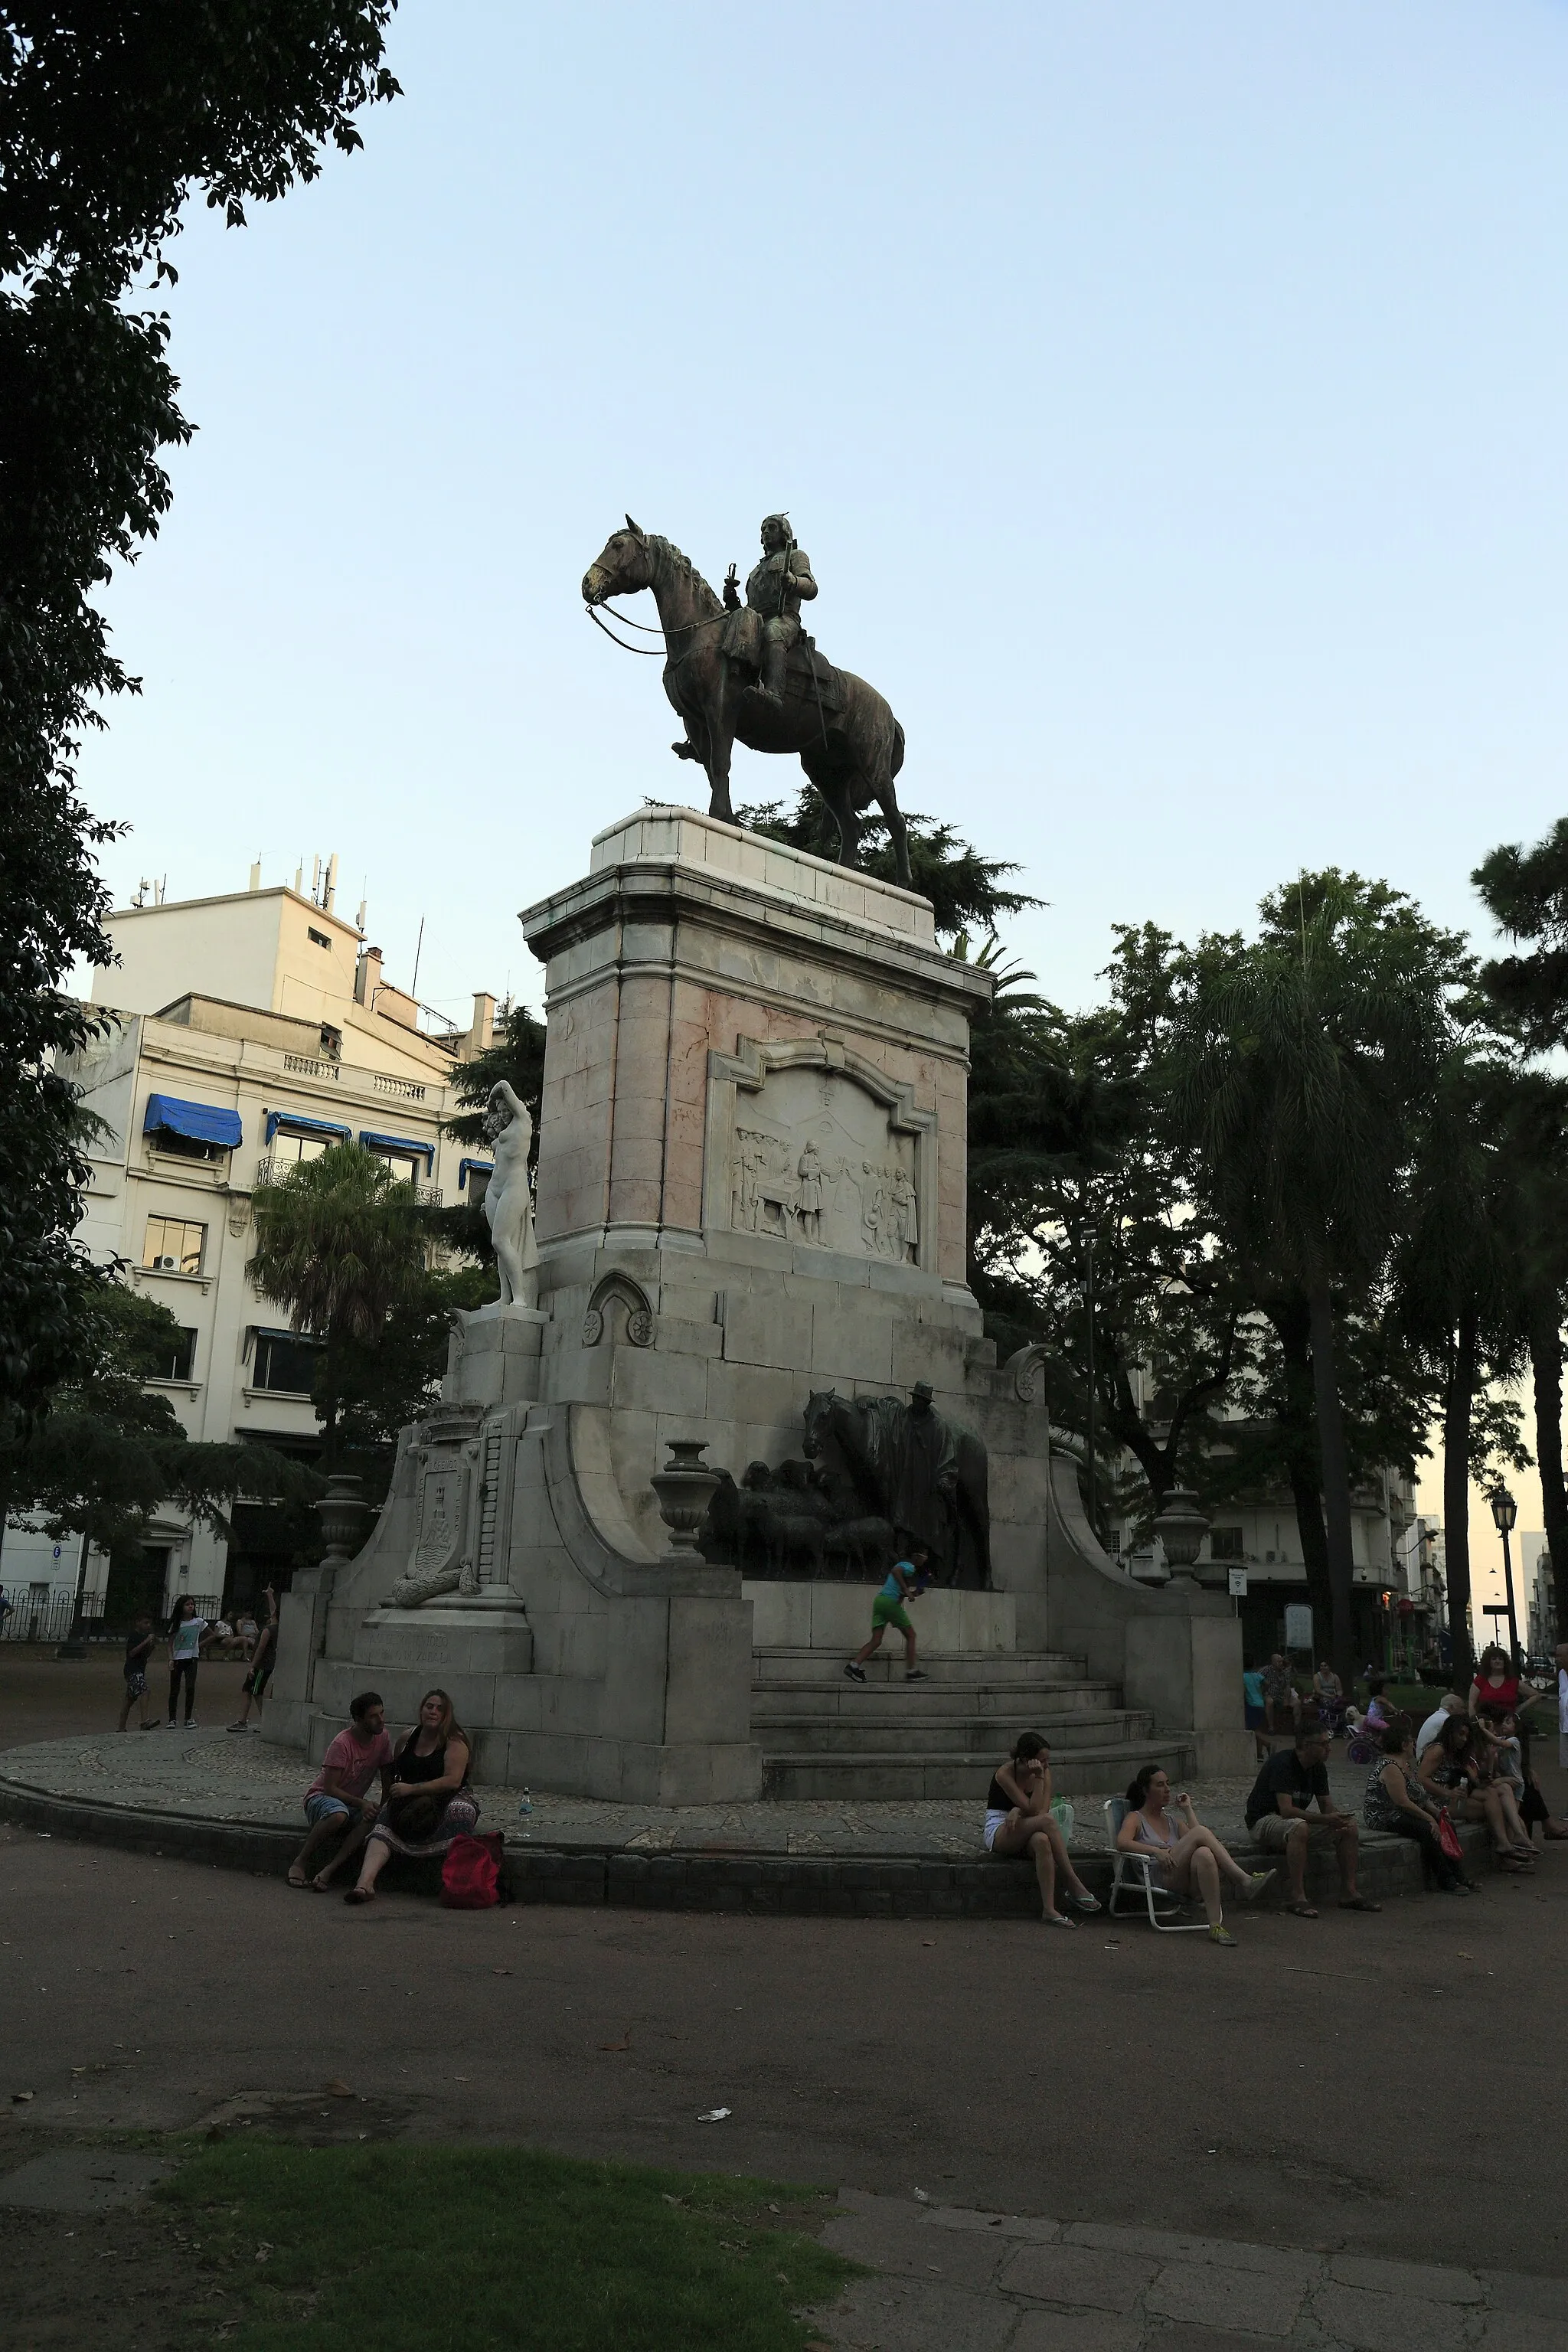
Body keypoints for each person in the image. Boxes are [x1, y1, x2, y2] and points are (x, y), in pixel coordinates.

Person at [344, 1690, 479, 1906]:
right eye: (429, 1706)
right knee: (385, 1816)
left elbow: (453, 1781)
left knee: (461, 1812)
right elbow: (397, 1771)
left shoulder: (455, 1742)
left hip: (446, 1797)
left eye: (439, 1708)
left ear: (447, 1714)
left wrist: (412, 1789)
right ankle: (365, 1883)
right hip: (411, 1798)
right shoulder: (408, 1738)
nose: (433, 1712)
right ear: (421, 1709)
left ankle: (452, 1881)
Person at [1117, 1764, 1274, 1945]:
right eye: (1160, 1785)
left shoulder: (1172, 1821)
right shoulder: (1136, 1818)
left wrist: (1187, 1809)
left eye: (1168, 1784)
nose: (1167, 1789)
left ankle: (1215, 1927)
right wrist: (1156, 1851)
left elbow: (1200, 1838)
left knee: (1204, 1853)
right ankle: (1244, 1880)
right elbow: (1122, 1843)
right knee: (1200, 1834)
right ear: (1146, 1790)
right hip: (1158, 1876)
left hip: (1182, 1880)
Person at [1244, 1723, 1379, 1916]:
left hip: (1291, 1823)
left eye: (1329, 1743)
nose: (1329, 1748)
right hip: (1264, 1821)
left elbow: (1326, 1807)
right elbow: (1287, 1810)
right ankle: (1297, 1896)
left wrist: (1338, 1818)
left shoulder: (1318, 1768)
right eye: (1323, 1744)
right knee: (1299, 1827)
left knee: (1348, 1828)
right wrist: (1325, 1819)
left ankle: (1349, 1892)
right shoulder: (1283, 1763)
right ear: (1306, 1745)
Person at [984, 1732, 1102, 1927]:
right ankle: (1073, 1883)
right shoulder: (1005, 1773)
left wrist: (1018, 1809)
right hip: (1001, 1828)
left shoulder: (1045, 1771)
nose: (1045, 1765)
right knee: (1046, 1822)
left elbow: (1041, 1810)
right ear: (1024, 1759)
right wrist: (1020, 1807)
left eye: (1047, 1760)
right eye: (1041, 1761)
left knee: (1042, 1841)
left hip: (1029, 1822)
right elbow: (1036, 1812)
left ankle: (1049, 1909)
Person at [288, 1692, 394, 1890]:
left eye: (382, 1713)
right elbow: (329, 1788)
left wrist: (382, 1806)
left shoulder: (383, 1737)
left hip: (350, 1804)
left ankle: (330, 1869)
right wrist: (362, 1803)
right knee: (338, 1814)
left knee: (372, 1818)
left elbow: (387, 1775)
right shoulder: (342, 1743)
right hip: (322, 1799)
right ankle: (300, 1861)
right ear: (358, 1720)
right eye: (373, 1716)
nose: (380, 1720)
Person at [1361, 1715, 1470, 1894]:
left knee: (1446, 1823)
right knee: (1429, 1831)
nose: (1414, 1745)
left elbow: (1419, 1794)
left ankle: (1459, 1874)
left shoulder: (1405, 1766)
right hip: (1385, 1814)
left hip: (1402, 1811)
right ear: (1403, 1745)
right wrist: (1429, 1818)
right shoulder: (1391, 1767)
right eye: (1411, 1742)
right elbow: (1402, 1801)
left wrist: (1436, 1812)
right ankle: (1446, 1880)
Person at [1417, 1713, 1535, 1870]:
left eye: (1467, 1735)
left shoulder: (1456, 1751)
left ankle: (1506, 1847)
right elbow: (1421, 1779)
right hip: (1437, 1803)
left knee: (1495, 1798)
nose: (1464, 1739)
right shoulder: (1438, 1749)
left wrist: (1483, 1781)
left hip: (1455, 1797)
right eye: (1461, 1734)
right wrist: (1448, 1793)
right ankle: (1506, 1847)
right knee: (1497, 1807)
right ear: (1450, 1732)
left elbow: (1471, 1778)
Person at [1480, 1707, 1567, 1844]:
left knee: (1513, 1814)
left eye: (1508, 1723)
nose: (1503, 1725)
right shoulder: (1503, 1739)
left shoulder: (1514, 1741)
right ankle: (1525, 1840)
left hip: (1517, 1784)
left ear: (1516, 1729)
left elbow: (1497, 1742)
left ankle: (1522, 1840)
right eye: (1503, 1722)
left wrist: (1483, 1729)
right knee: (1513, 1814)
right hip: (1510, 1782)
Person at [845, 1544, 929, 1682]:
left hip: (880, 1601)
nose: (925, 1559)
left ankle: (853, 1665)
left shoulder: (904, 1566)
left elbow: (899, 1592)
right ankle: (911, 1672)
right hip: (889, 1603)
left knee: (876, 1640)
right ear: (916, 1556)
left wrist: (913, 1594)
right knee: (911, 1635)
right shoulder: (909, 1566)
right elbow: (896, 1571)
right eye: (923, 1555)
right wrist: (908, 1591)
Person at [227, 1586, 279, 1732]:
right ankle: (244, 1720)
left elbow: (260, 1649)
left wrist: (252, 1666)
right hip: (265, 1665)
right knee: (248, 1690)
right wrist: (270, 1595)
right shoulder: (277, 1627)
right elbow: (274, 1611)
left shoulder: (269, 1630)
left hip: (262, 1665)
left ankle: (264, 1722)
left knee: (257, 1692)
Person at [164, 1596, 216, 1727]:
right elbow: (170, 1644)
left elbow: (212, 1635)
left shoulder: (198, 1622)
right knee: (174, 1689)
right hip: (177, 1658)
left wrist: (199, 1645)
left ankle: (188, 1718)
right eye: (187, 1604)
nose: (191, 1606)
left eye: (192, 1604)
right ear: (181, 1607)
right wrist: (171, 1658)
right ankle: (172, 1718)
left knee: (190, 1687)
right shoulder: (176, 1623)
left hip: (191, 1658)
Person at [118, 1615, 158, 1733]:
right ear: (138, 1622)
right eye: (145, 1623)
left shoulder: (144, 1636)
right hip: (132, 1670)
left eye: (149, 1623)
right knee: (145, 1691)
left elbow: (145, 1655)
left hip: (139, 1670)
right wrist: (145, 1642)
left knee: (130, 1699)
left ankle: (121, 1727)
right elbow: (132, 1653)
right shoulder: (134, 1636)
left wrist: (151, 1646)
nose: (148, 1626)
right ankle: (145, 1721)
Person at [1416, 1691, 1466, 1759]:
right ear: (1451, 1707)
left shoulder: (1436, 1717)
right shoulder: (1446, 1720)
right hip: (1428, 1760)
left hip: (1423, 1757)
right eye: (1461, 1707)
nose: (1464, 1711)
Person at [1262, 1654, 1301, 1737]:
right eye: (1279, 1662)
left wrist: (1287, 1699)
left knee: (1297, 1702)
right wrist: (1263, 1691)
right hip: (1269, 1695)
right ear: (1273, 1662)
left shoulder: (1284, 1672)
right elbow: (1257, 1679)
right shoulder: (1266, 1670)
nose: (1281, 1663)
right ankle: (1271, 1727)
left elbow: (1287, 1686)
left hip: (1281, 1696)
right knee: (1269, 1701)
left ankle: (1297, 1728)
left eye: (1282, 1662)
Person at [1311, 1660, 1346, 1733]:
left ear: (1329, 1667)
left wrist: (1338, 1696)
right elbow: (1318, 1690)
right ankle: (1326, 1725)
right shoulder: (1317, 1676)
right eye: (1321, 1666)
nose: (1323, 1667)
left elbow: (1339, 1690)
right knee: (1327, 1703)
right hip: (1321, 1696)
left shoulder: (1335, 1677)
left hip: (1333, 1697)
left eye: (1325, 1666)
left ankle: (1339, 1726)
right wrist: (1329, 1696)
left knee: (1341, 1704)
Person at [1242, 1664, 1268, 1759]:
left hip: (1251, 1705)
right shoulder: (1257, 1675)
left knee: (1252, 1730)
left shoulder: (1243, 1676)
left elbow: (1244, 1691)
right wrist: (1262, 1691)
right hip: (1260, 1703)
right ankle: (1259, 1754)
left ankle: (1267, 1744)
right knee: (1258, 1729)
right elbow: (1267, 1683)